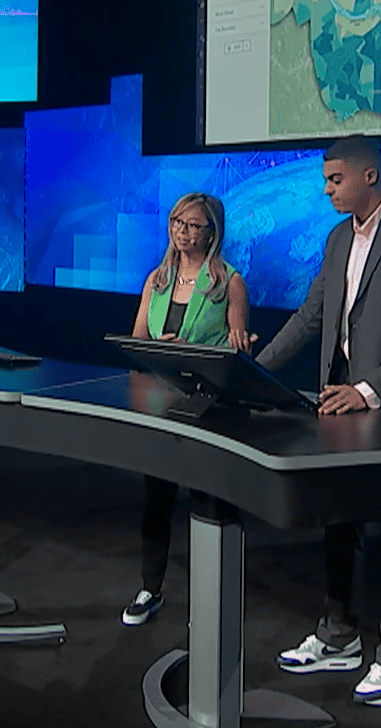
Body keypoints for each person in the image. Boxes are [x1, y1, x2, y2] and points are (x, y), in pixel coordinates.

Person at [255, 134, 381, 708]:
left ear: (370, 175)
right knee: (338, 521)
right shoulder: (338, 238)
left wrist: (367, 391)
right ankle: (339, 635)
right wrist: (247, 373)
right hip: (339, 406)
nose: (326, 190)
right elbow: (311, 316)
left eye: (334, 179)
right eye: (325, 179)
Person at [120, 192, 252, 626]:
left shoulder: (229, 282)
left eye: (196, 226)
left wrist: (206, 350)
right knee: (156, 500)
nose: (185, 233)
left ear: (213, 233)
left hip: (207, 409)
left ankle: (212, 602)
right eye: (180, 222)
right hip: (160, 404)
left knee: (208, 502)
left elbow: (236, 352)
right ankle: (149, 587)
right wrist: (159, 350)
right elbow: (137, 341)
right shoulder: (156, 280)